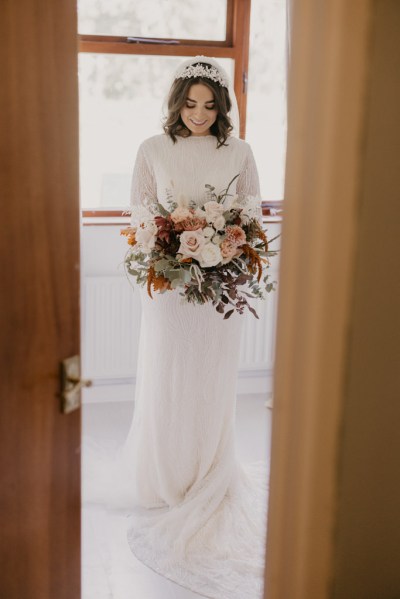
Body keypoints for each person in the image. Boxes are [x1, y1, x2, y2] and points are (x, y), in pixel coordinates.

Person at [121, 56, 269, 599]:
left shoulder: (241, 151)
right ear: (177, 102)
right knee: (169, 378)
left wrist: (223, 244)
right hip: (170, 289)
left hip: (218, 292)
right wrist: (168, 247)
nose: (201, 113)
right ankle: (166, 476)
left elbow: (251, 215)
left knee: (208, 381)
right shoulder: (152, 149)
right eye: (191, 103)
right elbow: (138, 216)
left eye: (210, 105)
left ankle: (209, 473)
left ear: (222, 107)